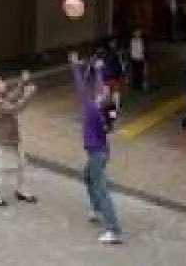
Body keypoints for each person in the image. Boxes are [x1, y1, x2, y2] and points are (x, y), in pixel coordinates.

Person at [69, 52, 123, 245]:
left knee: (101, 189)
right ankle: (97, 209)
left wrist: (75, 66)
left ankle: (113, 229)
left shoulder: (92, 110)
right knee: (87, 176)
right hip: (101, 152)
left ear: (102, 101)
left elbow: (81, 87)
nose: (102, 90)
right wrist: (98, 69)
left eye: (104, 92)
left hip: (96, 155)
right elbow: (99, 88)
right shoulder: (104, 112)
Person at [0, 70, 37, 207]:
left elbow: (14, 96)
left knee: (20, 166)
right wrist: (28, 95)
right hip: (5, 143)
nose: (3, 83)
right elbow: (15, 108)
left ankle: (20, 190)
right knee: (4, 170)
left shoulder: (2, 98)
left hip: (12, 140)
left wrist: (22, 83)